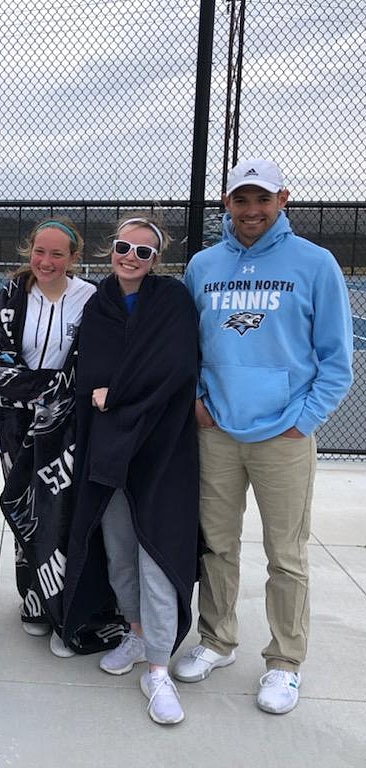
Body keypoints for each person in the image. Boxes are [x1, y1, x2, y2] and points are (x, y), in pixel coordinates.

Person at [174, 159, 354, 715]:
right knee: (217, 546)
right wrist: (198, 404)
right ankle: (217, 640)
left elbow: (336, 360)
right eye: (240, 200)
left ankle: (284, 662)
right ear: (226, 204)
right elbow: (187, 350)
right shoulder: (204, 265)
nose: (251, 210)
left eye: (262, 199)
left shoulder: (315, 263)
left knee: (286, 554)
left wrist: (304, 420)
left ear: (283, 199)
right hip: (218, 432)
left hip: (285, 436)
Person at [62, 215, 200, 725]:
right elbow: (89, 377)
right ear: (110, 249)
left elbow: (175, 366)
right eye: (124, 247)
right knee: (119, 546)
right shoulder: (99, 304)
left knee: (157, 553)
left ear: (156, 260)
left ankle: (159, 668)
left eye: (144, 252)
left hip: (162, 448)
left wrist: (117, 396)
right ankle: (136, 633)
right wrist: (110, 396)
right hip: (110, 449)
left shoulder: (172, 301)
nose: (131, 257)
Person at [0, 216, 101, 658]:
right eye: (40, 251)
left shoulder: (91, 299)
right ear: (28, 252)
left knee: (68, 516)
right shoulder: (11, 297)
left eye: (57, 253)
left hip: (72, 429)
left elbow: (93, 369)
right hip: (18, 427)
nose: (46, 261)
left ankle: (68, 609)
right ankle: (34, 602)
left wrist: (50, 393)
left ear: (74, 258)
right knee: (27, 511)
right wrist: (55, 389)